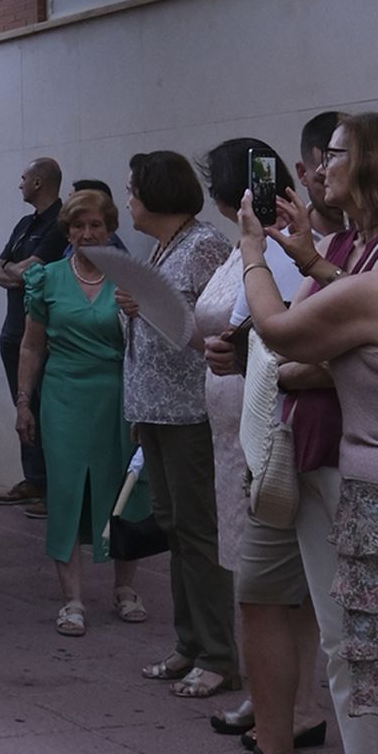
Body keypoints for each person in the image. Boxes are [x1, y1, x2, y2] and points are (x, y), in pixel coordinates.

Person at [241, 112, 378, 754]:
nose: (323, 166)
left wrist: (258, 256)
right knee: (359, 659)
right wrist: (307, 259)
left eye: (336, 154)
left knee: (368, 660)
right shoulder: (358, 264)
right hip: (359, 487)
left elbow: (282, 331)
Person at [187, 138, 325, 754]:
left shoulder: (316, 246)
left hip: (303, 439)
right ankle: (280, 733)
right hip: (257, 431)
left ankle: (297, 728)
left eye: (334, 157)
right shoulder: (317, 245)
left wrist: (261, 353)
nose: (315, 171)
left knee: (307, 596)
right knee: (267, 586)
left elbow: (297, 332)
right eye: (316, 158)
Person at [123, 151, 238, 700]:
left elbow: (221, 331)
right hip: (157, 407)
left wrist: (148, 305)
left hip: (191, 407)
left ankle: (218, 653)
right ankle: (188, 643)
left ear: (157, 194)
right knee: (174, 527)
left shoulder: (205, 245)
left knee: (198, 531)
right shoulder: (164, 246)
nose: (129, 201)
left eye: (134, 190)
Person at [15, 187, 150, 630]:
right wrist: (23, 403)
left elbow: (154, 345)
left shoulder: (132, 277)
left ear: (110, 229)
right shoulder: (47, 278)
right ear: (67, 231)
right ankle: (72, 599)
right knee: (67, 490)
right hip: (64, 395)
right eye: (78, 225)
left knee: (122, 491)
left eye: (96, 225)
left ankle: (125, 588)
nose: (87, 233)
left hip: (119, 395)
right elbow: (32, 346)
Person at [0, 156, 65, 505]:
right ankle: (34, 478)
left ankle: (54, 483)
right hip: (12, 330)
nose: (19, 184)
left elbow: (33, 272)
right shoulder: (24, 224)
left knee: (44, 406)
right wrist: (15, 272)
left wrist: (15, 272)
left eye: (23, 178)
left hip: (41, 332)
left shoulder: (61, 223)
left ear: (38, 183)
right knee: (23, 407)